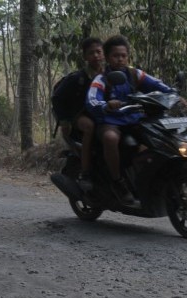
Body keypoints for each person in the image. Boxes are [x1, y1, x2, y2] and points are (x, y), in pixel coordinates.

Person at [86, 35, 174, 207]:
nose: (120, 59)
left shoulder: (134, 74)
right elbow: (91, 100)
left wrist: (173, 93)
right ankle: (117, 181)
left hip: (134, 119)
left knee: (158, 136)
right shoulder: (101, 79)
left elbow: (157, 84)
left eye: (123, 55)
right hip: (111, 121)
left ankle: (151, 179)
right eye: (115, 56)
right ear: (108, 57)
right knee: (110, 138)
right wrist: (105, 105)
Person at [51, 37, 104, 192]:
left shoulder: (110, 75)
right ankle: (86, 171)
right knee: (89, 127)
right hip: (79, 116)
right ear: (85, 57)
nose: (96, 56)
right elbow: (57, 98)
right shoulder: (77, 78)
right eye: (91, 53)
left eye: (98, 52)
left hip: (102, 114)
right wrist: (65, 121)